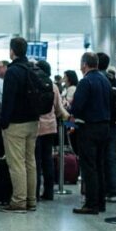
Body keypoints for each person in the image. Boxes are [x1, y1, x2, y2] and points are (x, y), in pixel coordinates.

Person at [0, 37, 40, 213]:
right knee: (30, 161)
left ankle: (18, 201)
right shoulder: (32, 69)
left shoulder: (13, 71)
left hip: (16, 123)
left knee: (16, 163)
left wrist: (3, 122)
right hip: (33, 121)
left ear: (12, 51)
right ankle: (31, 200)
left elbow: (8, 100)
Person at [69, 52, 111, 214]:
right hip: (104, 127)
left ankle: (91, 203)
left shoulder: (85, 82)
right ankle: (100, 202)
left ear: (84, 64)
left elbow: (77, 107)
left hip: (89, 128)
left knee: (89, 166)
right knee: (100, 165)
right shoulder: (105, 80)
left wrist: (72, 111)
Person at [35, 60, 69, 201]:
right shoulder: (53, 86)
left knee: (35, 161)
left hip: (36, 128)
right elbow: (59, 108)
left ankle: (34, 193)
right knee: (47, 160)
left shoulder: (34, 84)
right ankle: (49, 192)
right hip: (50, 127)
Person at [97, 52, 116, 203]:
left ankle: (98, 190)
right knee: (111, 157)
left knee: (97, 157)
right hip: (114, 125)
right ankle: (113, 190)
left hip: (99, 124)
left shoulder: (95, 79)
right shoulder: (115, 80)